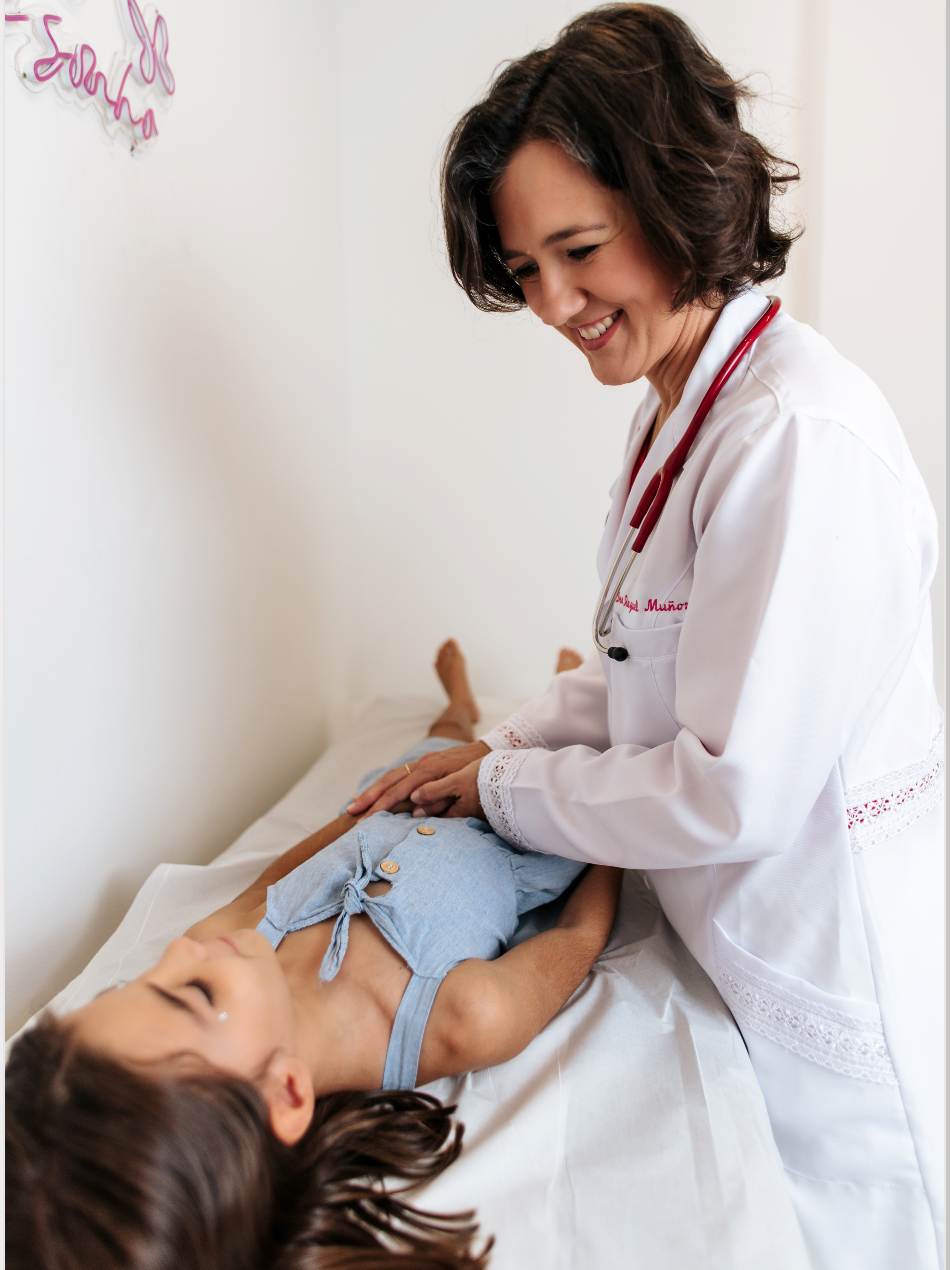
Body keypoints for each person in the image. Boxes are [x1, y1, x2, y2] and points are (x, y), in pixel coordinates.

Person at [345, 8, 944, 1269]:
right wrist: (494, 747)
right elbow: (634, 679)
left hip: (828, 1009)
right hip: (732, 962)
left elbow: (729, 789)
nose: (554, 304)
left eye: (576, 250)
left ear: (675, 199)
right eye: (523, 272)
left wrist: (506, 784)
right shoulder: (675, 418)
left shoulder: (793, 439)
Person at [6, 641, 621, 1270]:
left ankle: (458, 703)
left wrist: (382, 801)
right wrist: (618, 831)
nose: (177, 955)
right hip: (529, 826)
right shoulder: (462, 1014)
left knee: (432, 746)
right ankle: (561, 688)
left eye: (131, 983)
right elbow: (576, 937)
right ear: (287, 1092)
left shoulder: (220, 943)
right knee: (579, 751)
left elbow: (275, 877)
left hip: (399, 801)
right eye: (194, 993)